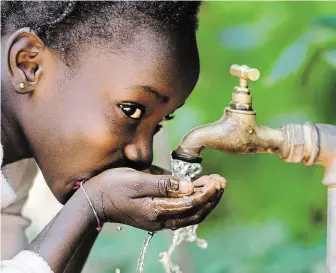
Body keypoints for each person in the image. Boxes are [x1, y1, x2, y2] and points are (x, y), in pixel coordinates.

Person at [0, 1, 227, 272]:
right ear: (29, 64)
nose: (143, 154)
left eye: (158, 124)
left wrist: (95, 206)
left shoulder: (14, 162)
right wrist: (92, 204)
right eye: (131, 110)